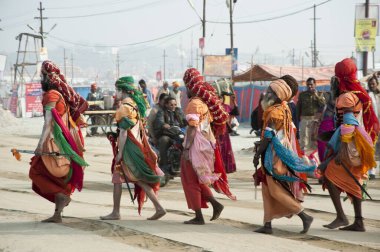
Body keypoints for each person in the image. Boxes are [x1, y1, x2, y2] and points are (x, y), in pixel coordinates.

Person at [253, 79, 315, 234]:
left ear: (277, 95)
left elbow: (269, 136)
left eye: (270, 92)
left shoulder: (275, 112)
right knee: (267, 189)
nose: (266, 93)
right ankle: (267, 224)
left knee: (274, 190)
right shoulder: (282, 108)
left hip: (273, 155)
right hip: (274, 151)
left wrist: (258, 153)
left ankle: (304, 215)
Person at [29, 60, 88, 223]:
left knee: (36, 171)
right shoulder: (60, 94)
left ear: (47, 77)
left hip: (55, 141)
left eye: (41, 76)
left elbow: (48, 123)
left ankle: (61, 198)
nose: (40, 79)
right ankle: (57, 214)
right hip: (65, 140)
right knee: (60, 177)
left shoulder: (51, 95)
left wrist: (40, 146)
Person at [100, 76, 166, 221]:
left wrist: (120, 153)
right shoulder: (135, 105)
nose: (115, 93)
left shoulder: (124, 108)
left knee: (134, 178)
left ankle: (118, 212)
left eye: (117, 90)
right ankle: (118, 211)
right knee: (128, 178)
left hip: (129, 148)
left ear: (122, 90)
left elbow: (123, 133)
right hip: (136, 145)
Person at [181, 68, 236, 225]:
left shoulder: (194, 104)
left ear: (190, 87)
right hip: (206, 144)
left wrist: (186, 149)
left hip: (195, 146)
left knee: (190, 179)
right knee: (198, 178)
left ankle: (199, 216)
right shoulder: (204, 103)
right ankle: (215, 204)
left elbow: (192, 127)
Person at [318, 92, 375, 232]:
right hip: (356, 147)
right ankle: (359, 221)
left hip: (349, 150)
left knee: (329, 176)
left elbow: (348, 125)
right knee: (354, 182)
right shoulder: (350, 97)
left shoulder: (346, 99)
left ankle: (341, 217)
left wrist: (338, 155)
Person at [154, 96, 187, 175]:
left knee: (186, 142)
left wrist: (189, 121)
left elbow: (184, 121)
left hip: (178, 133)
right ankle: (164, 165)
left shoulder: (178, 110)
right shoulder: (161, 112)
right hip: (166, 133)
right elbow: (159, 121)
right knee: (164, 140)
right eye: (171, 105)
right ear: (166, 105)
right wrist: (163, 124)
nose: (173, 106)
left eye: (175, 104)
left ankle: (184, 164)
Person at [296, 77, 326, 154]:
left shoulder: (319, 94)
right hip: (304, 119)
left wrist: (316, 95)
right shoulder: (302, 95)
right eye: (308, 85)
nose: (310, 86)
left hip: (315, 119)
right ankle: (304, 157)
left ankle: (313, 158)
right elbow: (298, 107)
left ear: (315, 85)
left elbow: (323, 105)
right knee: (304, 139)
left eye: (311, 84)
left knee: (313, 140)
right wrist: (297, 119)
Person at [219, 96, 237, 173]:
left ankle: (226, 167)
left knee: (225, 147)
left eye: (220, 98)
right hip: (218, 130)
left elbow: (234, 113)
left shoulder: (225, 106)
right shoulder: (215, 106)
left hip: (224, 130)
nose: (219, 99)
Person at [367, 74, 380, 179]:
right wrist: (372, 75)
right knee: (372, 148)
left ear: (377, 84)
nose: (372, 85)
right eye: (370, 84)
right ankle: (372, 171)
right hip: (372, 126)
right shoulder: (368, 95)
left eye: (373, 84)